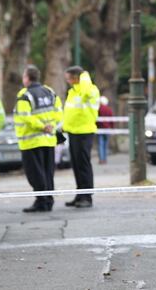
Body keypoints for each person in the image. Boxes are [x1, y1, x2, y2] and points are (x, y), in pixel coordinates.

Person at [15, 65, 62, 212]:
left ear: (27, 78)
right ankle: (48, 200)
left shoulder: (25, 95)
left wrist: (42, 126)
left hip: (31, 142)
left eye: (24, 76)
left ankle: (42, 201)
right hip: (49, 140)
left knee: (35, 173)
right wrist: (50, 127)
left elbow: (25, 117)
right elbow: (58, 112)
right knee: (48, 173)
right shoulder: (50, 92)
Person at [61, 66, 100, 208]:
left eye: (70, 78)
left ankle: (87, 197)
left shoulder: (90, 89)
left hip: (85, 132)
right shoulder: (72, 92)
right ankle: (80, 194)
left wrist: (84, 76)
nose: (68, 81)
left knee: (84, 165)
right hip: (73, 132)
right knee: (77, 165)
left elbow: (86, 91)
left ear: (77, 77)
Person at [96, 96, 113, 165]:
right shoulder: (109, 109)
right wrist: (112, 127)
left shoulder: (99, 109)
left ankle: (101, 159)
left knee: (101, 144)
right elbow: (111, 120)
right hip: (107, 129)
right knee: (105, 145)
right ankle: (105, 159)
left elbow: (96, 119)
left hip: (100, 128)